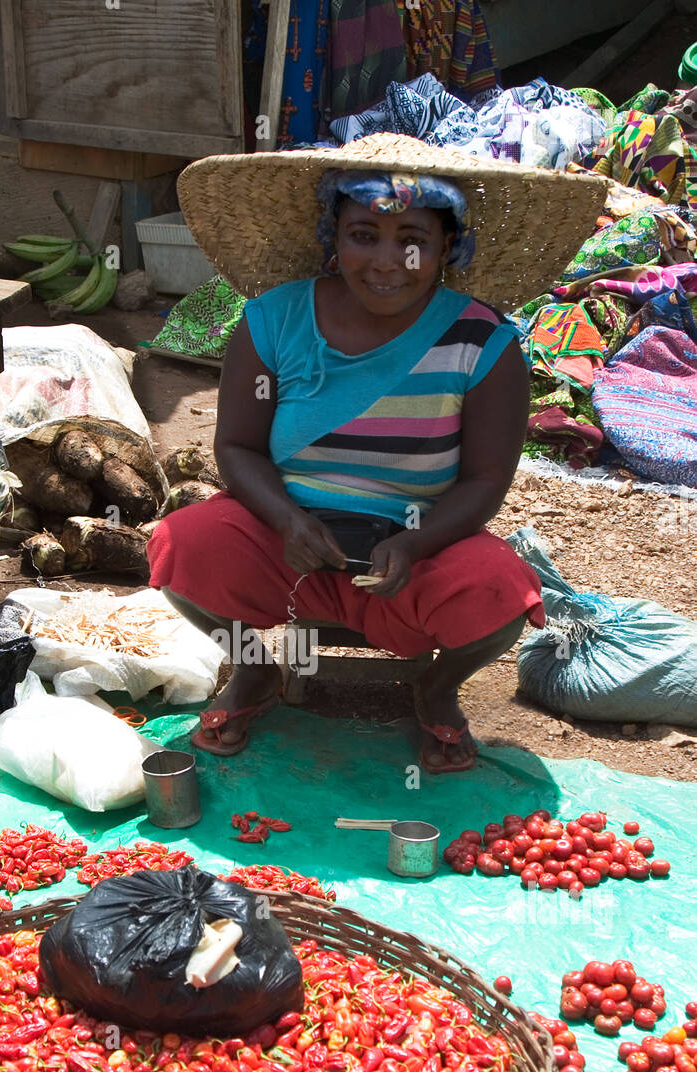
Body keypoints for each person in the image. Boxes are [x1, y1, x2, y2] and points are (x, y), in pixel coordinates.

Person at [147, 136, 599, 771]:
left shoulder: (484, 343)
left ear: (448, 247)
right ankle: (253, 671)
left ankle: (436, 689)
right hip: (287, 547)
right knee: (181, 546)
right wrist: (285, 519)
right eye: (364, 234)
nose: (388, 261)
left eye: (413, 238)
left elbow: (485, 481)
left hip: (413, 555)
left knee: (503, 593)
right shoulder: (272, 321)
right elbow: (239, 446)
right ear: (335, 239)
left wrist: (415, 544)